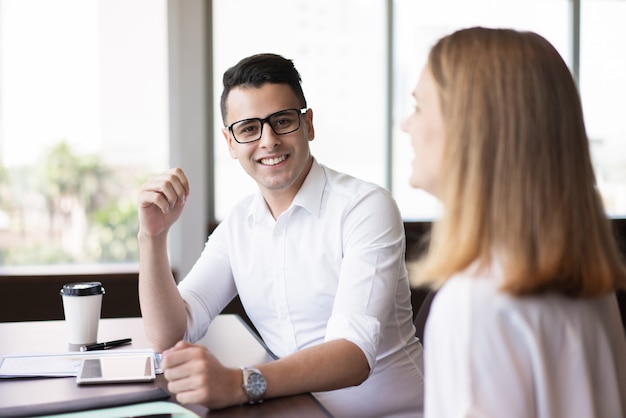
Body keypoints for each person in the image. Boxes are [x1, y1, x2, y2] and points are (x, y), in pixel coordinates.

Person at [137, 53, 424, 417]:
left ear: (309, 125)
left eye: (283, 121)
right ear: (230, 143)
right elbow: (170, 335)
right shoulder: (238, 226)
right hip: (295, 409)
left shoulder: (365, 207)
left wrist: (240, 383)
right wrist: (152, 237)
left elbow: (353, 354)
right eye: (248, 129)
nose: (268, 141)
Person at [402, 26, 626, 418]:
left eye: (420, 107)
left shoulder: (475, 303)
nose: (407, 125)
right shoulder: (587, 285)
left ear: (471, 128)